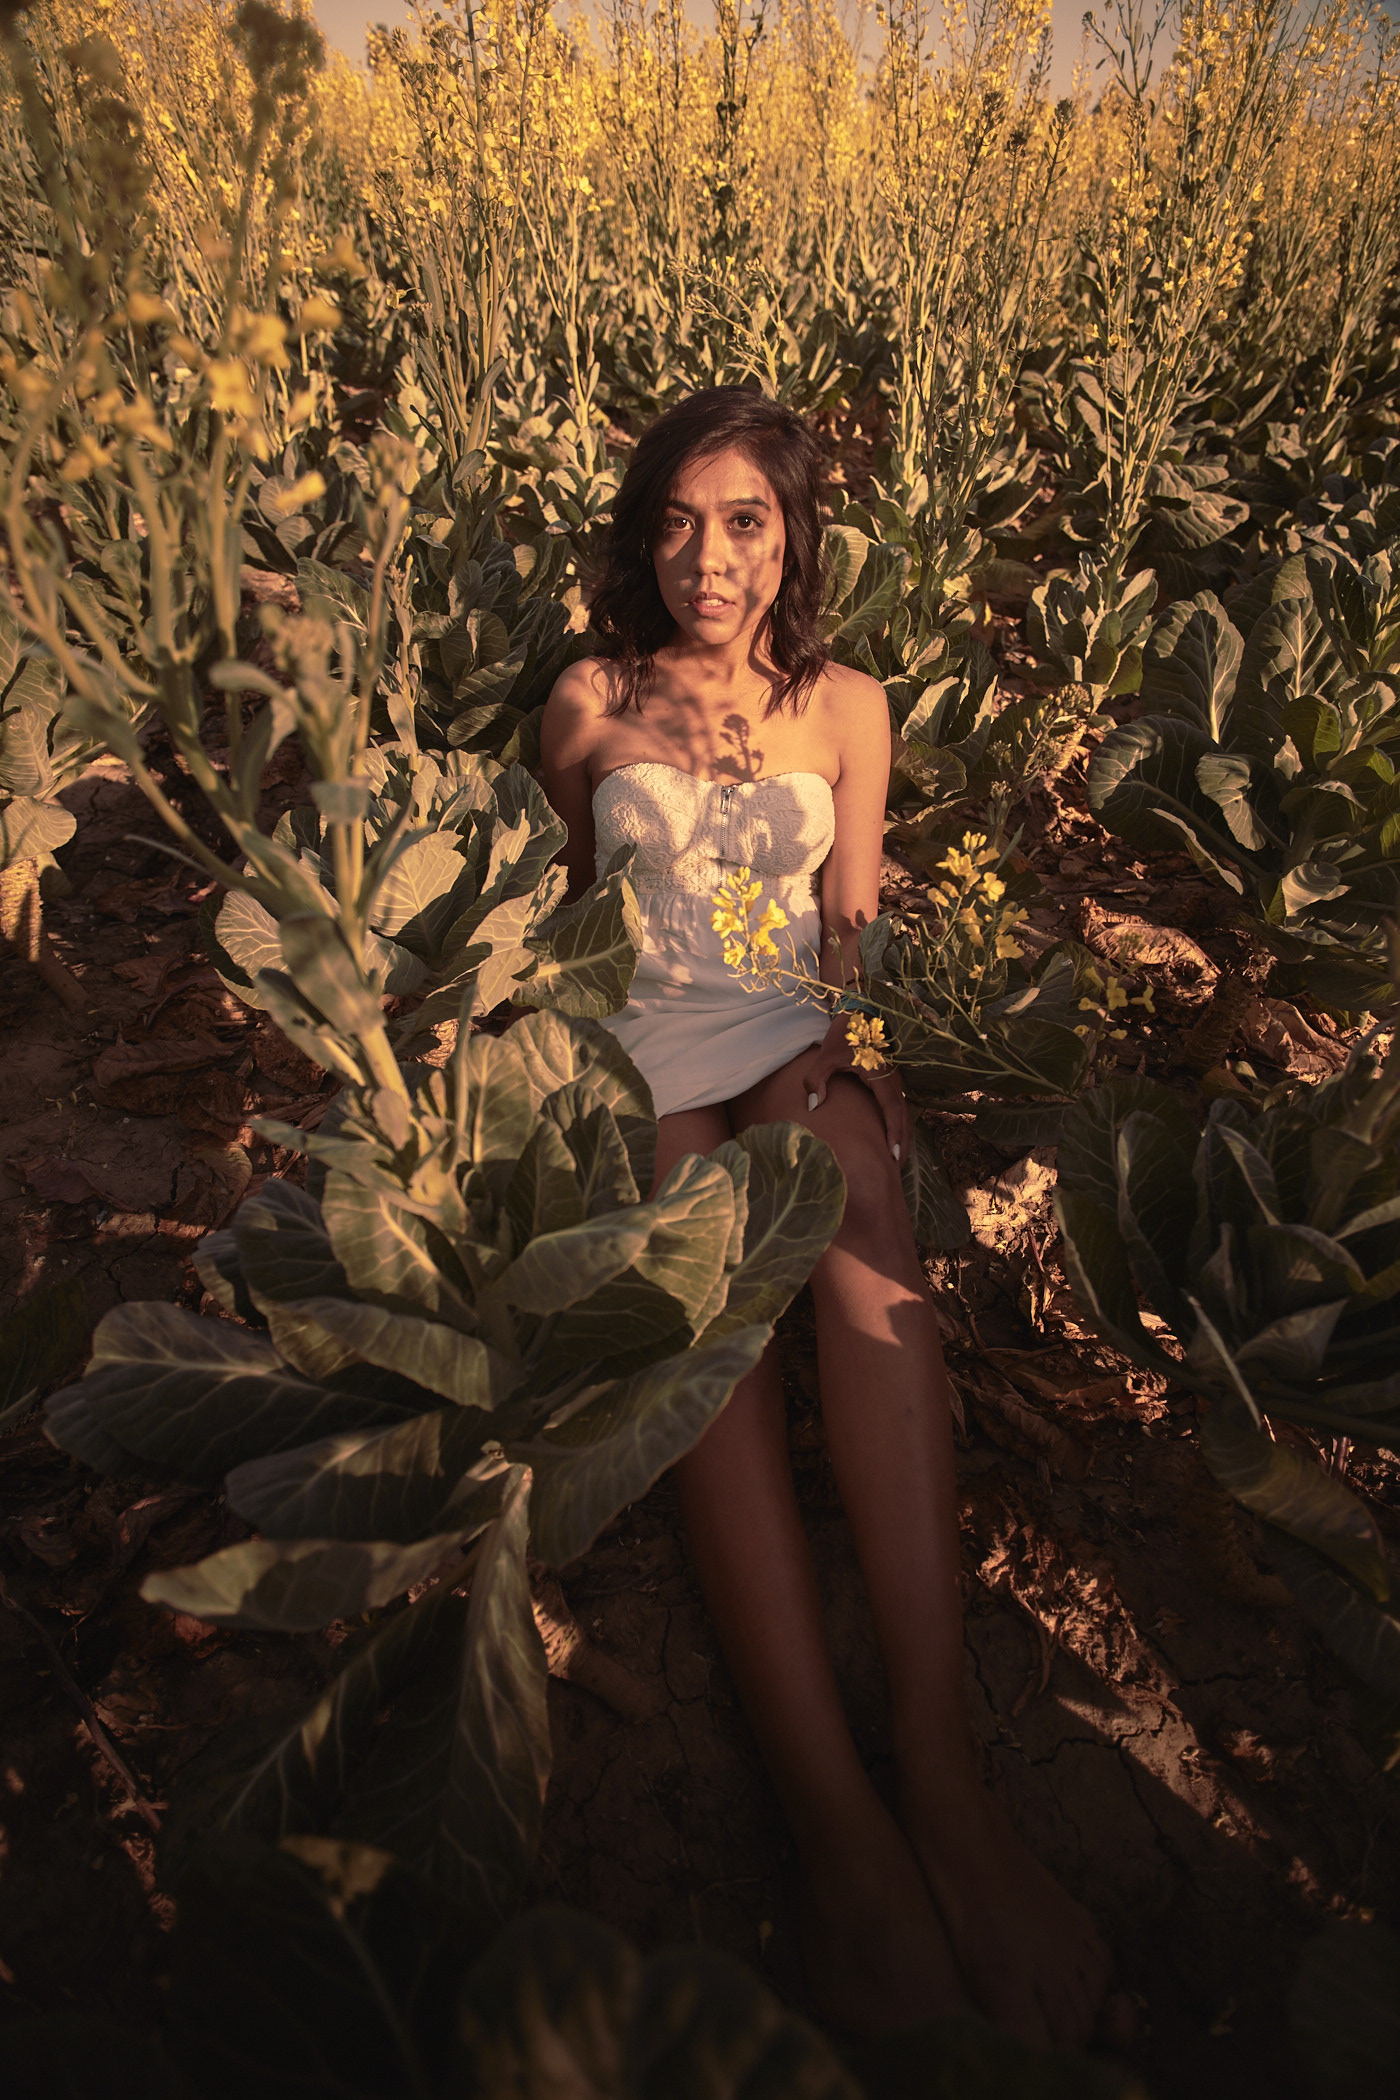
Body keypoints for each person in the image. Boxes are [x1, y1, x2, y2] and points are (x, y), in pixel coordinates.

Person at [539, 387, 1113, 2048]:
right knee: (698, 1233)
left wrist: (869, 1069)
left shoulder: (848, 704)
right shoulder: (590, 698)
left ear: (794, 539)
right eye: (675, 522)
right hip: (645, 1048)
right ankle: (832, 1817)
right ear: (644, 533)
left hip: (783, 1025)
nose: (705, 561)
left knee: (854, 1173)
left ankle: (937, 1773)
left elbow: (844, 931)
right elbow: (561, 922)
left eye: (744, 525)